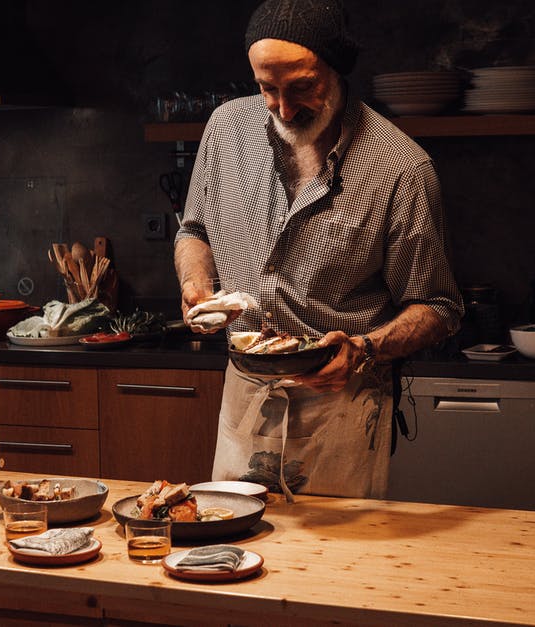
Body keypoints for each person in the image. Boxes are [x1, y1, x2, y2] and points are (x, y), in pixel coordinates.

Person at [173, 0, 463, 500]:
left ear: (336, 70)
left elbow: (439, 307)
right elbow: (193, 229)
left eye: (303, 87)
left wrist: (364, 348)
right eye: (268, 89)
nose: (285, 109)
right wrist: (195, 283)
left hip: (342, 400)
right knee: (235, 552)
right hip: (245, 391)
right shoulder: (225, 130)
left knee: (337, 569)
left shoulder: (401, 169)